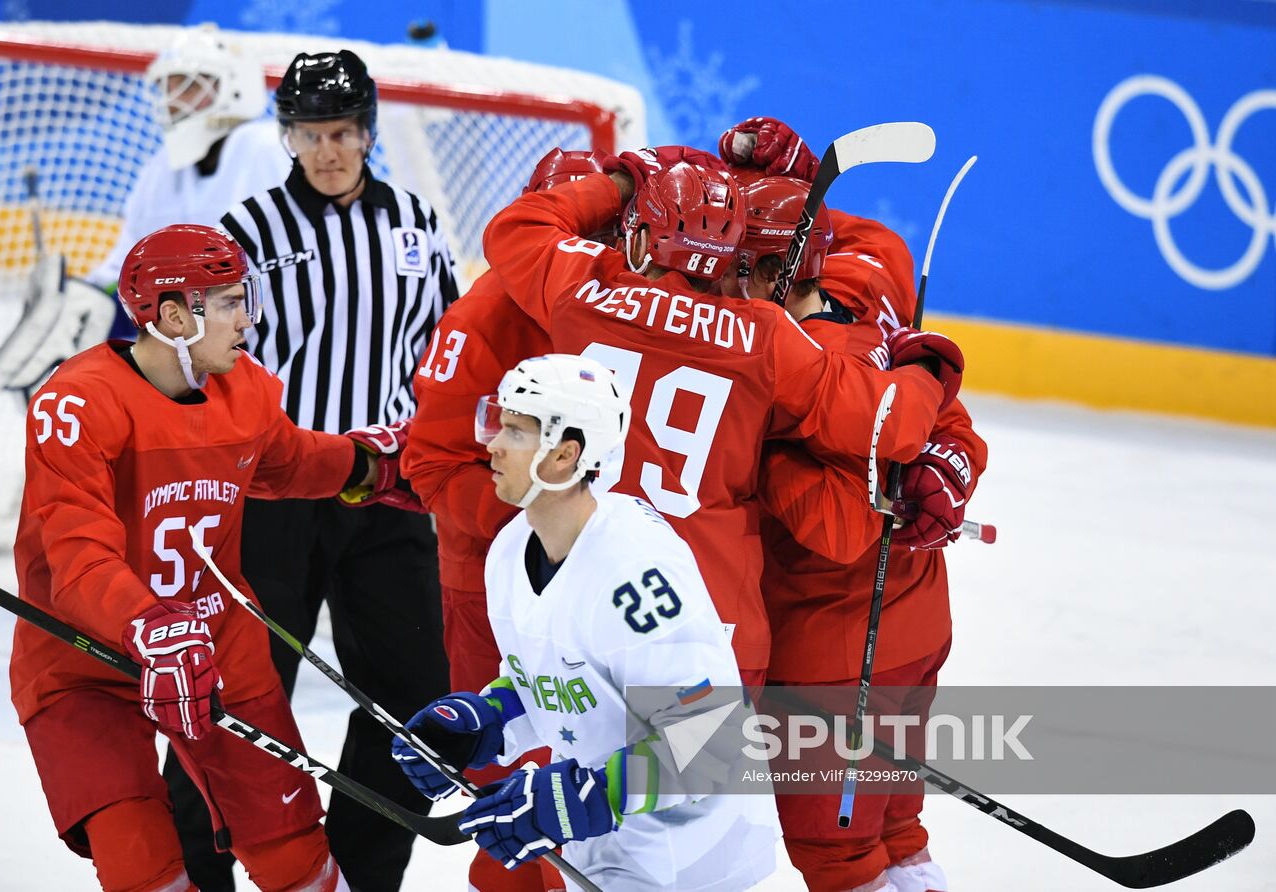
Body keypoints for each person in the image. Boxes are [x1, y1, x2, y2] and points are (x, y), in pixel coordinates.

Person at [7, 223, 410, 892]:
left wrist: (367, 468)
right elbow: (78, 554)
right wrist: (151, 623)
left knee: (296, 857)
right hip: (83, 662)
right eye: (225, 302)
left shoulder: (244, 390)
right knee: (145, 870)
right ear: (170, 315)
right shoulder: (78, 403)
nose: (245, 318)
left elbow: (285, 461)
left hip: (217, 643)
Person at [479, 156, 964, 695]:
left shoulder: (582, 288)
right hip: (707, 619)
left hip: (583, 596)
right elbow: (889, 425)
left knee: (593, 769)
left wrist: (622, 182)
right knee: (702, 776)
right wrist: (923, 367)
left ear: (639, 244)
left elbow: (514, 227)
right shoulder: (763, 335)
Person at [394, 354, 782, 890]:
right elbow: (552, 683)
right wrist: (486, 722)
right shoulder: (509, 550)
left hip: (693, 856)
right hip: (609, 853)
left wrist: (592, 796)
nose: (492, 444)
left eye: (515, 430)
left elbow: (711, 743)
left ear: (564, 454)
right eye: (496, 421)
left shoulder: (635, 571)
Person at [720, 122, 987, 891]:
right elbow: (953, 427)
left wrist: (752, 460)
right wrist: (949, 464)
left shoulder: (786, 375)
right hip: (913, 627)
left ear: (773, 273)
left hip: (832, 657)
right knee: (899, 831)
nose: (722, 283)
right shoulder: (869, 313)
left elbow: (841, 528)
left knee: (840, 857)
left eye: (739, 267)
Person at [218, 48, 457, 891]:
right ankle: (196, 867)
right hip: (277, 491)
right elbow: (217, 360)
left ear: (368, 131)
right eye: (312, 134)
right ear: (289, 137)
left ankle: (356, 873)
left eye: (344, 132)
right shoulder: (244, 233)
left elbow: (447, 345)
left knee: (419, 699)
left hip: (386, 489)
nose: (329, 150)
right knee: (241, 699)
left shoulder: (416, 225)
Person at [401, 147, 612, 892]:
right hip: (496, 588)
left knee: (597, 766)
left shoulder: (613, 302)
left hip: (590, 580)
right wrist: (541, 517)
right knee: (517, 781)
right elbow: (430, 464)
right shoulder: (481, 318)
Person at [0, 26, 289, 404]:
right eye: (170, 87)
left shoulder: (265, 148)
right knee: (91, 321)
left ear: (234, 89)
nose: (173, 99)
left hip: (257, 322)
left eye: (189, 86)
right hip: (188, 320)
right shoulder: (161, 169)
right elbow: (124, 263)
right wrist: (79, 299)